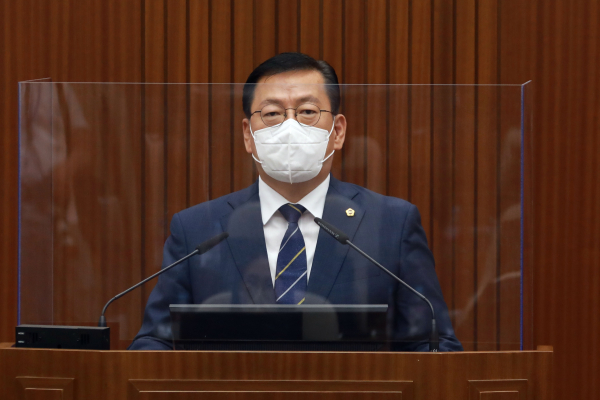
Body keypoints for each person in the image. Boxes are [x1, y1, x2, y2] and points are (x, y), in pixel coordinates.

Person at [129, 52, 463, 351]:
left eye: (307, 111)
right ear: (248, 135)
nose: (290, 127)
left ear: (338, 131)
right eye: (272, 113)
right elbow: (155, 341)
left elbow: (433, 343)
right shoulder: (197, 229)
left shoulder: (391, 223)